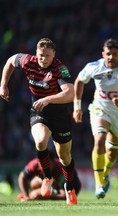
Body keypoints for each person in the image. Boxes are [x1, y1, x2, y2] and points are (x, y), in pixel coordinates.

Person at [0, 38, 78, 205]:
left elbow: (70, 93)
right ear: (36, 54)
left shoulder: (59, 69)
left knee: (64, 156)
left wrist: (48, 99)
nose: (44, 59)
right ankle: (47, 178)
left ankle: (70, 187)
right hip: (39, 112)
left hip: (60, 116)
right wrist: (3, 84)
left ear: (54, 55)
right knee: (41, 141)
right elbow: (10, 62)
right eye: (41, 55)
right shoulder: (28, 61)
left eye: (48, 56)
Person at [73, 38, 118, 199]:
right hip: (100, 109)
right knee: (99, 140)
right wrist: (77, 107)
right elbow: (79, 81)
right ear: (103, 54)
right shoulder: (94, 67)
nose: (111, 57)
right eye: (108, 54)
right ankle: (99, 184)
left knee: (112, 154)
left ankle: (105, 173)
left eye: (114, 54)